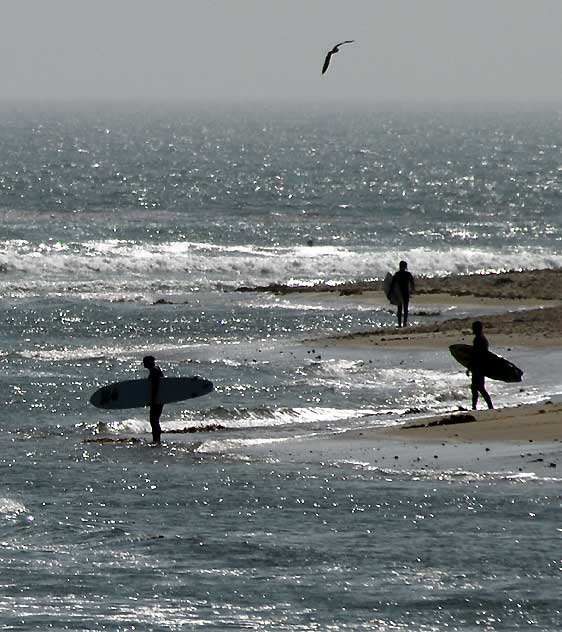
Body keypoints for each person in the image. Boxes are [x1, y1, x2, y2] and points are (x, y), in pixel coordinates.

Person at [467, 321, 494, 410]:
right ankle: (475, 406)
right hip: (481, 366)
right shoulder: (481, 338)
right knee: (476, 388)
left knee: (478, 388)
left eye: (474, 328)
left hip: (478, 366)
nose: (472, 329)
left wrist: (470, 366)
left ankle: (488, 406)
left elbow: (476, 354)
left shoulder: (479, 339)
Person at [143, 355, 163, 443]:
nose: (143, 364)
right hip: (159, 398)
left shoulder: (154, 371)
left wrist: (153, 400)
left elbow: (155, 387)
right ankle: (156, 439)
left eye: (144, 362)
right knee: (154, 420)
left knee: (154, 420)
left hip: (157, 399)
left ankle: (156, 440)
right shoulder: (155, 370)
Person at [389, 260, 415, 327]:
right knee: (405, 309)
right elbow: (412, 283)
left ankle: (400, 324)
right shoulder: (408, 274)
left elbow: (392, 284)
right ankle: (404, 324)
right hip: (405, 293)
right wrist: (412, 290)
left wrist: (390, 293)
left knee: (400, 309)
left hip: (400, 293)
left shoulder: (397, 274)